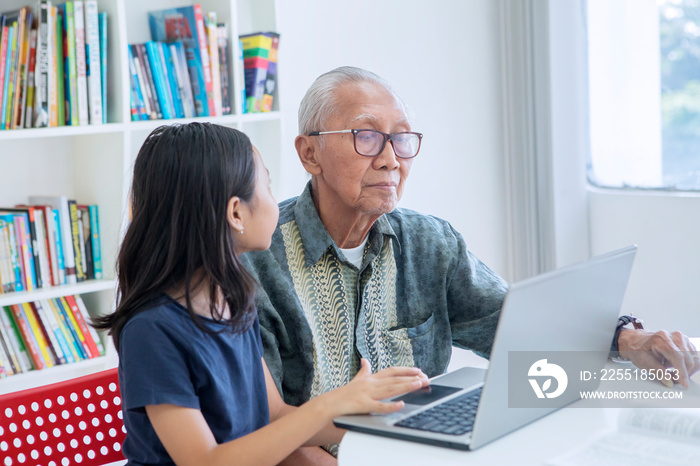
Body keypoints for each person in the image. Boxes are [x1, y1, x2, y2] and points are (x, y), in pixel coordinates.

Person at [241, 66, 700, 464]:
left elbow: (517, 325)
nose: (390, 159)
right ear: (309, 153)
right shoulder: (254, 262)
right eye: (366, 137)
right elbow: (263, 428)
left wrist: (629, 339)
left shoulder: (430, 242)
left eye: (401, 138)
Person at [93, 122, 429, 466]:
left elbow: (276, 417)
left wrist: (381, 416)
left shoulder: (234, 300)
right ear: (236, 213)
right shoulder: (152, 331)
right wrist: (331, 404)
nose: (275, 199)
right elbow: (205, 462)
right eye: (267, 186)